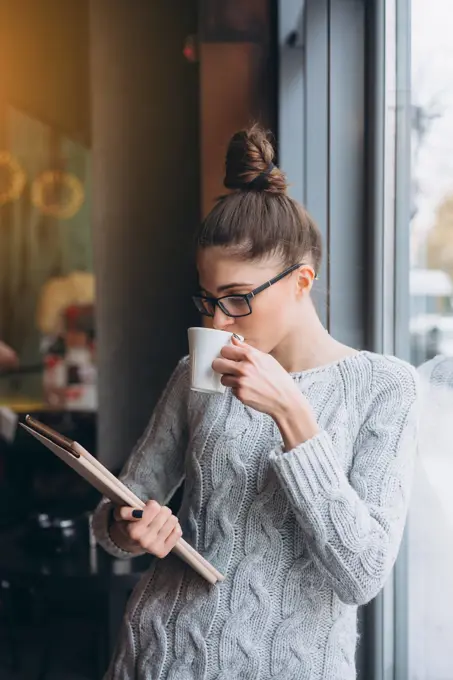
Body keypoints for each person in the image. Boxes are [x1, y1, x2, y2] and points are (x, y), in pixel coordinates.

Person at [92, 125, 420, 680]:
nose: (218, 322)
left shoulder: (386, 388)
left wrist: (294, 417)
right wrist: (131, 528)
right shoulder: (196, 372)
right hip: (160, 657)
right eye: (208, 298)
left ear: (301, 282)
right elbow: (114, 517)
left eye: (238, 299)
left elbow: (361, 576)